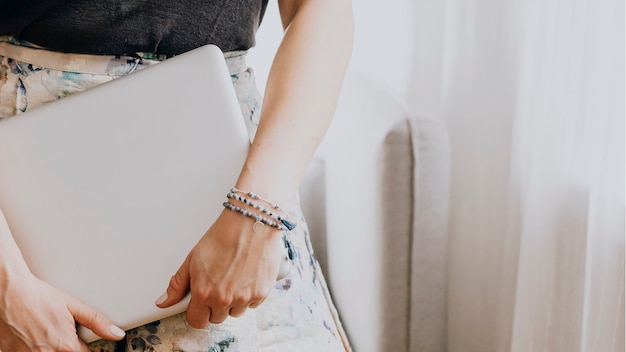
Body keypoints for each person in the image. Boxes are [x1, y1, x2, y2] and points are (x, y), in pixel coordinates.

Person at [0, 0, 354, 351]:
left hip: (247, 197)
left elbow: (322, 9)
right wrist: (9, 288)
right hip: (27, 246)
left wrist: (258, 211)